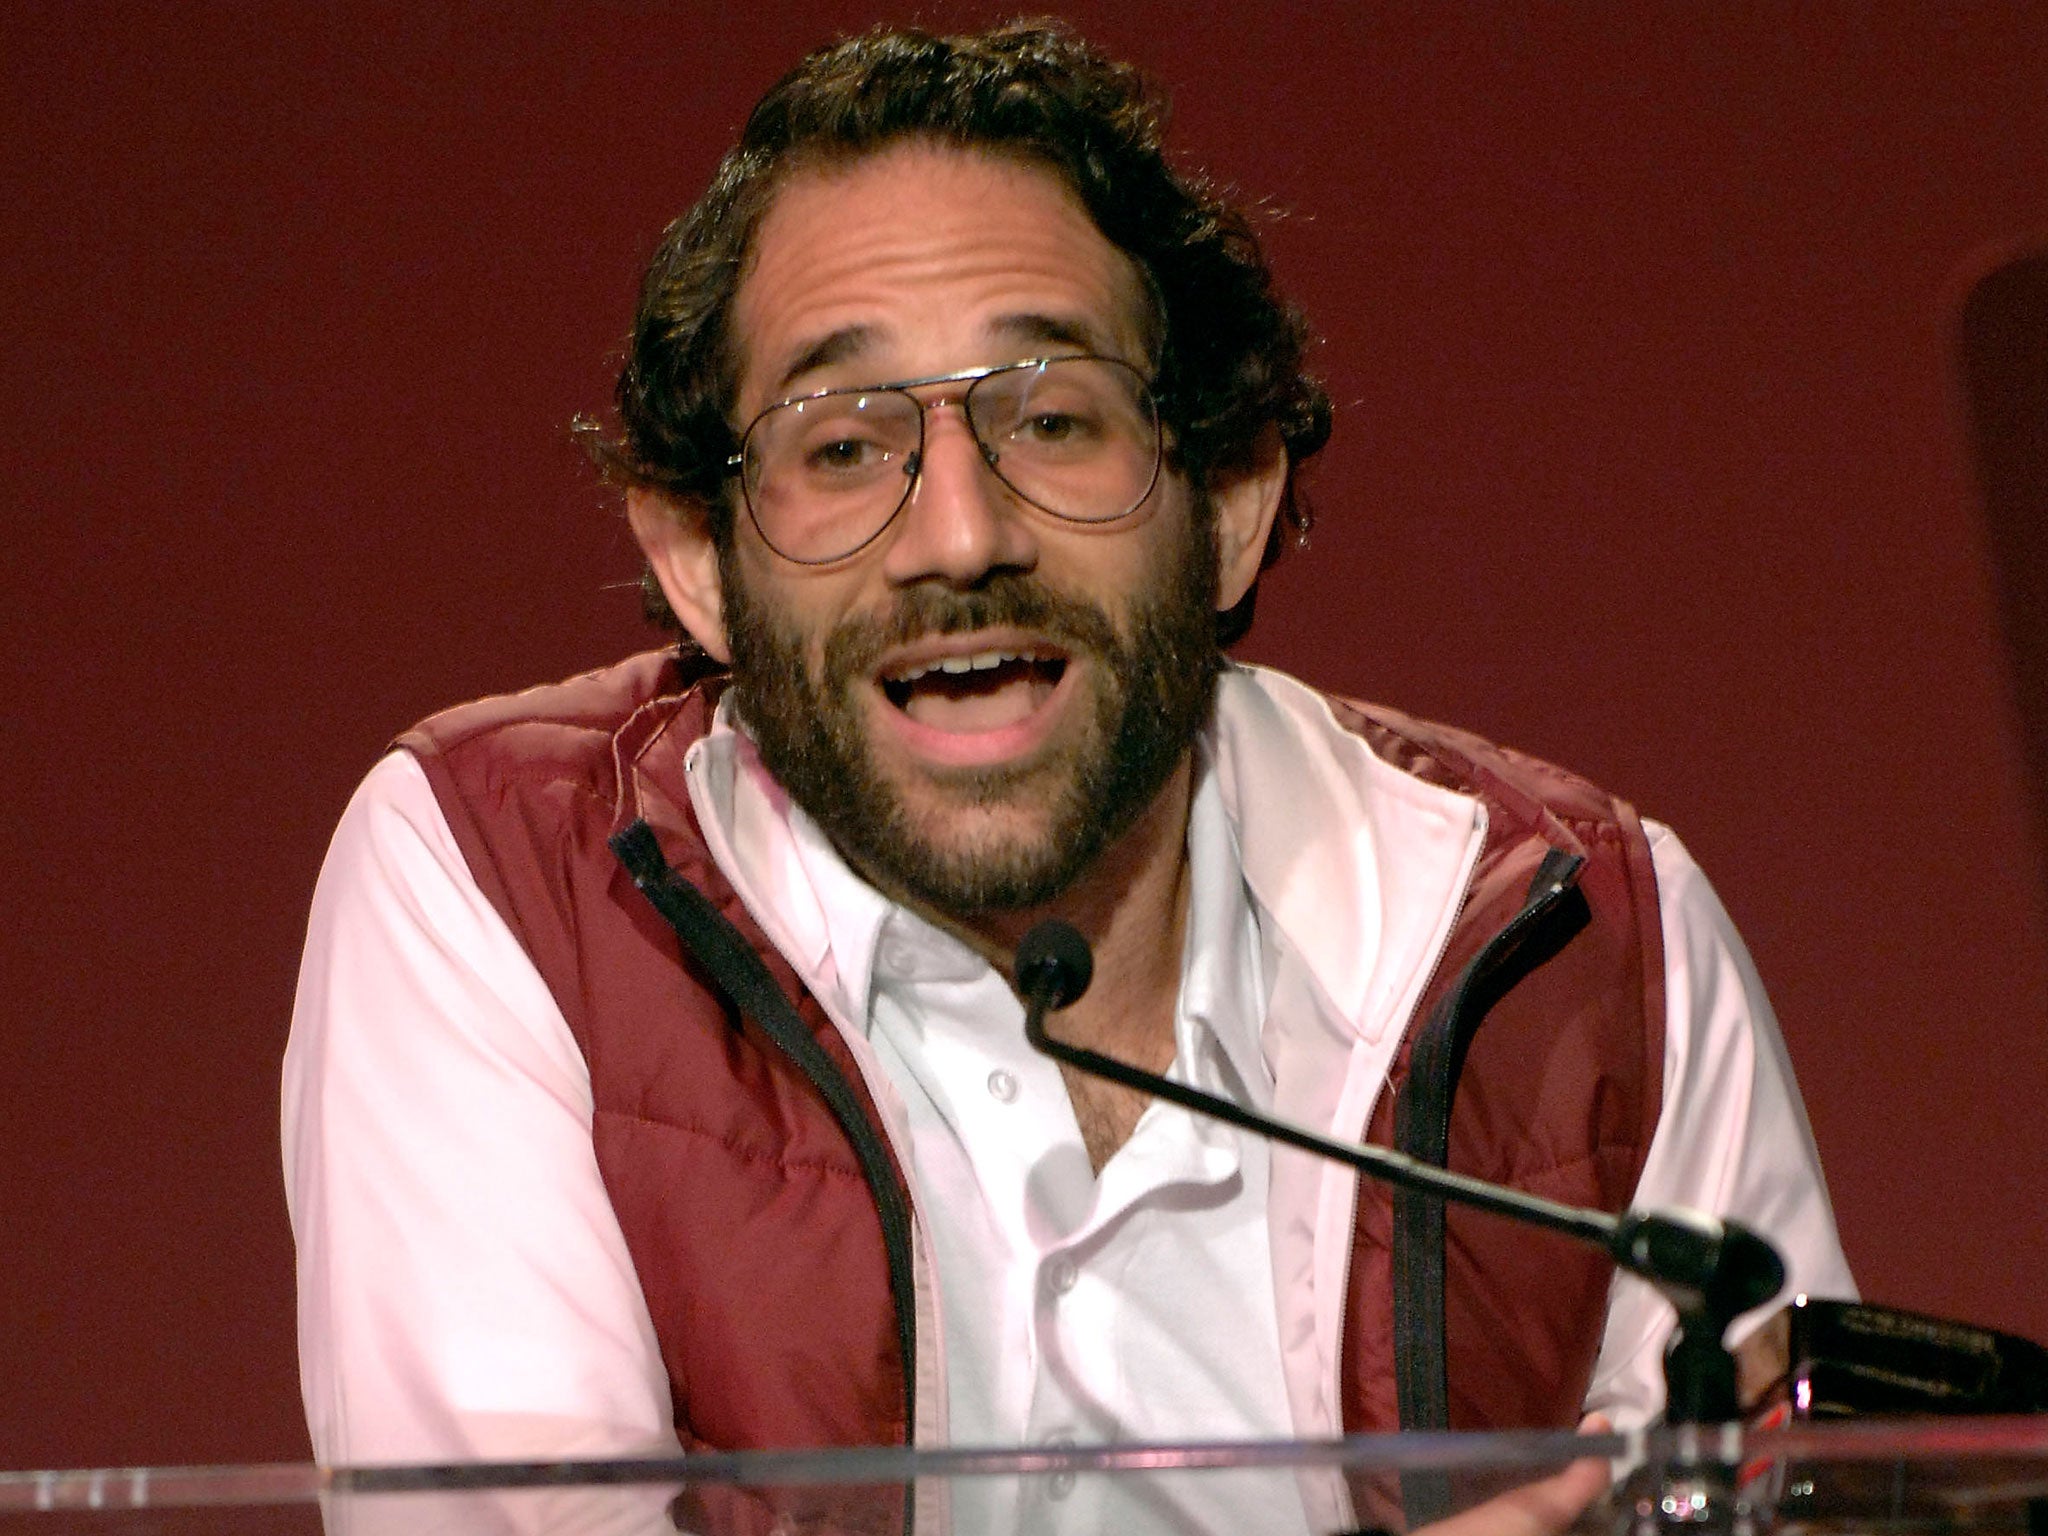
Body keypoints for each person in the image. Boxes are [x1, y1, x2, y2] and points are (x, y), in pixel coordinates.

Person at [281, 20, 1855, 1533]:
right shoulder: (502, 886)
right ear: (696, 557)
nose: (960, 537)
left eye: (1052, 418)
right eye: (843, 446)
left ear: (1229, 497)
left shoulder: (1582, 935)